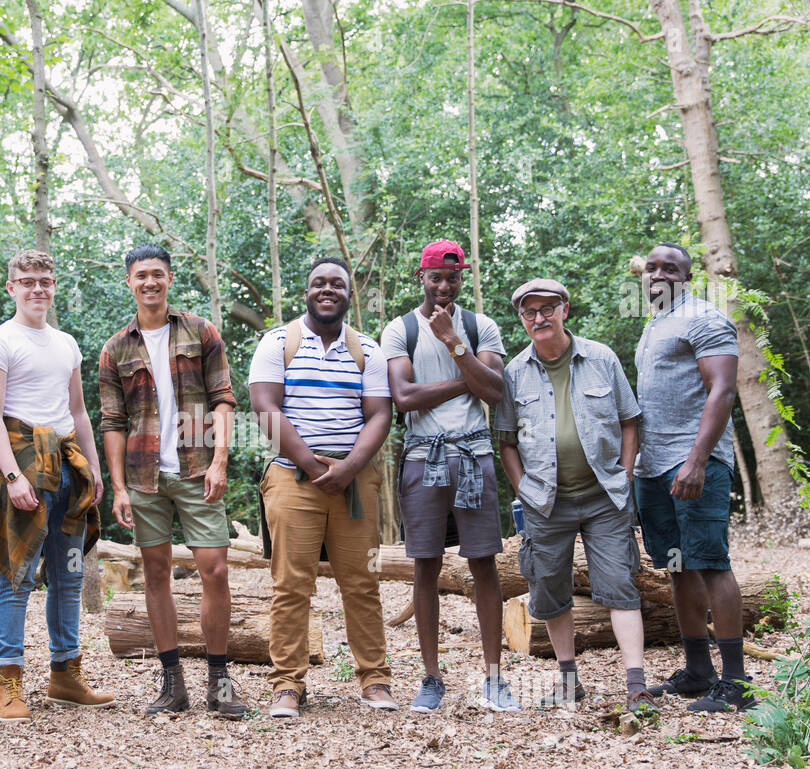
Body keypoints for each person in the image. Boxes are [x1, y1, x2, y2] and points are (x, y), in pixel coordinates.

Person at [495, 278, 657, 715]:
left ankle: (637, 686)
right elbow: (506, 439)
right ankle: (569, 682)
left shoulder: (600, 358)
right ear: (522, 320)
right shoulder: (514, 372)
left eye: (547, 308)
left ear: (565, 309)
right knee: (548, 589)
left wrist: (623, 476)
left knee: (620, 585)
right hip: (546, 501)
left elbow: (630, 420)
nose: (539, 318)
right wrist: (522, 487)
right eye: (529, 312)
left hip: (605, 496)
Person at [98, 244, 244, 718]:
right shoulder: (115, 348)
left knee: (214, 571)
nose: (150, 283)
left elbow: (223, 399)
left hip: (197, 467)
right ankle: (172, 684)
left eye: (157, 274)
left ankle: (220, 683)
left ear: (169, 278)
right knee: (156, 573)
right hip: (144, 477)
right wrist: (117, 485)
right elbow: (113, 422)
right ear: (130, 282)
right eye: (141, 276)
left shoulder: (201, 331)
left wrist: (220, 460)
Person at [248, 256, 395, 717]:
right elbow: (265, 406)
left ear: (349, 295)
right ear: (306, 292)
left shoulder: (368, 349)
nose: (327, 289)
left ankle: (375, 679)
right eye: (318, 283)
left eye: (337, 284)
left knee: (362, 582)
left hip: (353, 481)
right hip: (292, 476)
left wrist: (349, 467)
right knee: (291, 585)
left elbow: (380, 413)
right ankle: (287, 685)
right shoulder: (277, 343)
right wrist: (312, 465)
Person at [0, 250, 113, 723]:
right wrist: (13, 476)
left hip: (68, 471)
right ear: (10, 287)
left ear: (54, 286)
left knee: (70, 575)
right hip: (22, 465)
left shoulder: (67, 344)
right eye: (27, 281)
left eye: (46, 281)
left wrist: (93, 470)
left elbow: (78, 413)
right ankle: (8, 681)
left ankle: (65, 674)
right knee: (17, 576)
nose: (38, 288)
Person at [381, 240, 512, 713]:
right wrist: (466, 379)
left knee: (483, 563)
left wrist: (456, 343)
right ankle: (431, 678)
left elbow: (495, 392)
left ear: (462, 279)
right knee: (425, 565)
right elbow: (404, 397)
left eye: (452, 279)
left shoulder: (481, 326)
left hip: (475, 453)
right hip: (423, 456)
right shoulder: (400, 329)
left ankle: (494, 678)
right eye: (435, 277)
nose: (443, 286)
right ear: (422, 276)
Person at [633, 243, 750, 712]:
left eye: (671, 268)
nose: (659, 274)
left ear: (687, 276)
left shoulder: (704, 318)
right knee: (679, 566)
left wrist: (697, 459)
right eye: (653, 267)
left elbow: (722, 390)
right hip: (654, 466)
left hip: (694, 464)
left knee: (711, 563)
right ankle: (699, 672)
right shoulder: (655, 324)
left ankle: (737, 683)